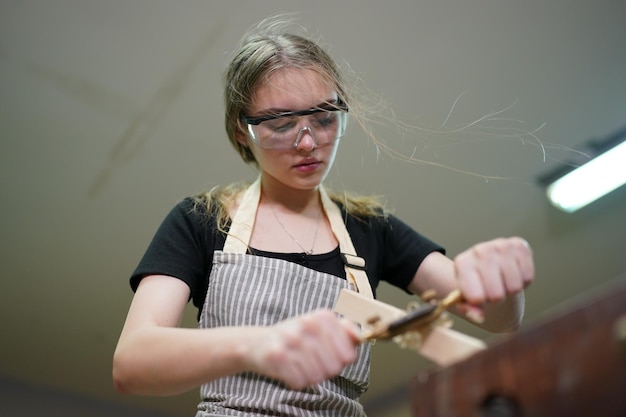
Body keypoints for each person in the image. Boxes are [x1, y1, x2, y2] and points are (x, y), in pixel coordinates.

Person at [112, 17, 534, 417]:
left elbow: (500, 318)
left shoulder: (371, 229)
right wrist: (255, 346)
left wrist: (500, 275)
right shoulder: (201, 221)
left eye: (324, 118)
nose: (308, 142)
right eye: (281, 124)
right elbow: (131, 364)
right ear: (243, 131)